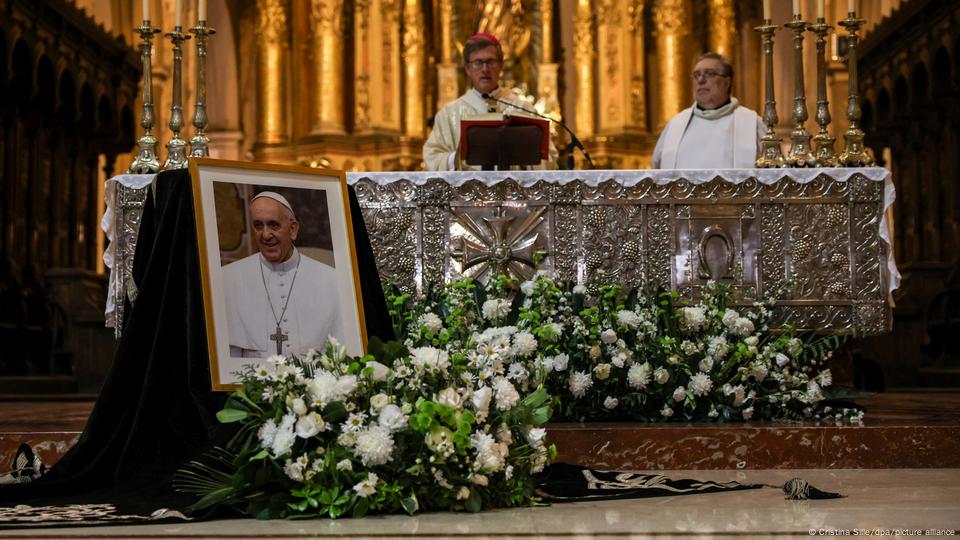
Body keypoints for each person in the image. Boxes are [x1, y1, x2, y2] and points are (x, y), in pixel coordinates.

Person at [222, 191, 342, 358]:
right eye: (258, 225)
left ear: (293, 229)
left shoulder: (332, 280)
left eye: (274, 225)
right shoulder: (228, 279)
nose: (265, 235)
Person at [423, 32, 558, 171]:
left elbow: (550, 157)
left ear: (500, 66)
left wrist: (526, 159)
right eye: (477, 63)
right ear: (468, 68)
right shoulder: (448, 114)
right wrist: (459, 157)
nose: (485, 69)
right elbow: (432, 158)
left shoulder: (523, 108)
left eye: (491, 62)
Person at [652, 52, 765, 169]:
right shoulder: (675, 125)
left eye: (709, 74)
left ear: (727, 82)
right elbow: (658, 170)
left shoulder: (752, 123)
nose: (700, 80)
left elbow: (771, 170)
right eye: (696, 75)